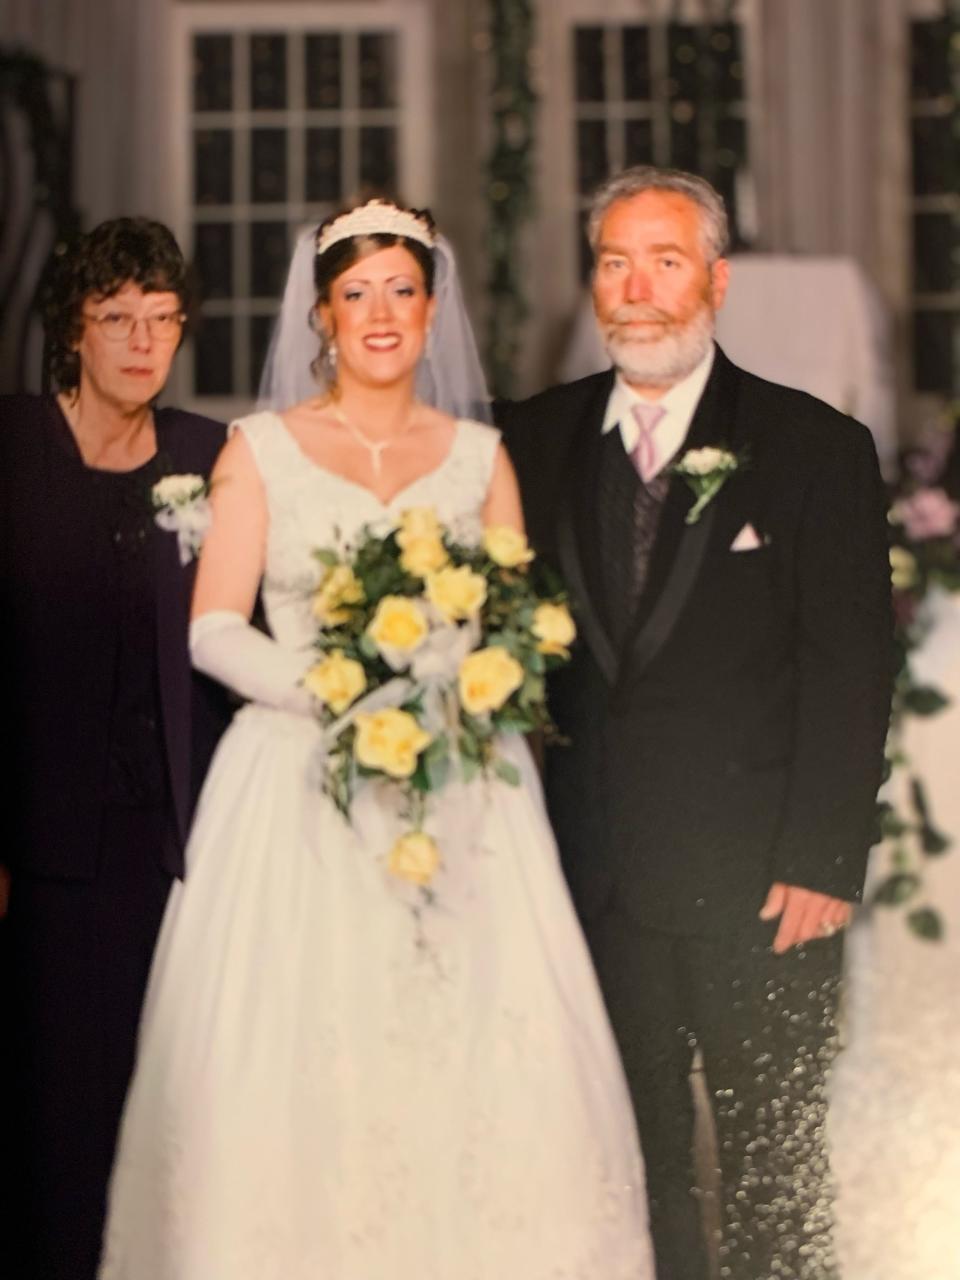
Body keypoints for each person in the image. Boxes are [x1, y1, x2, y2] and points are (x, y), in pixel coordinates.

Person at [98, 199, 655, 1279]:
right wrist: (338, 691)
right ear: (323, 314)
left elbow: (508, 621)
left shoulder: (480, 455)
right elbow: (214, 626)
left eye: (402, 288)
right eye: (357, 293)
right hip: (300, 782)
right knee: (304, 1055)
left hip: (459, 787)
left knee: (471, 1050)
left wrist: (450, 686)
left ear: (433, 306)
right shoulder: (260, 449)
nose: (382, 312)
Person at [497, 167, 894, 1280]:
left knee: (772, 1164)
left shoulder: (814, 444)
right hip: (595, 877)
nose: (640, 289)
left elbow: (853, 667)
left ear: (716, 281)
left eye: (666, 261)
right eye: (617, 262)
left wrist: (821, 856)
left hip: (767, 886)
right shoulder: (529, 438)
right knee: (634, 1168)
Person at [0, 217, 232, 1280]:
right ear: (73, 328)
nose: (143, 342)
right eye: (116, 318)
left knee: (165, 1104)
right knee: (51, 1113)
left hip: (169, 844)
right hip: (36, 853)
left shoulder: (205, 454)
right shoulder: (11, 447)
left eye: (162, 319)